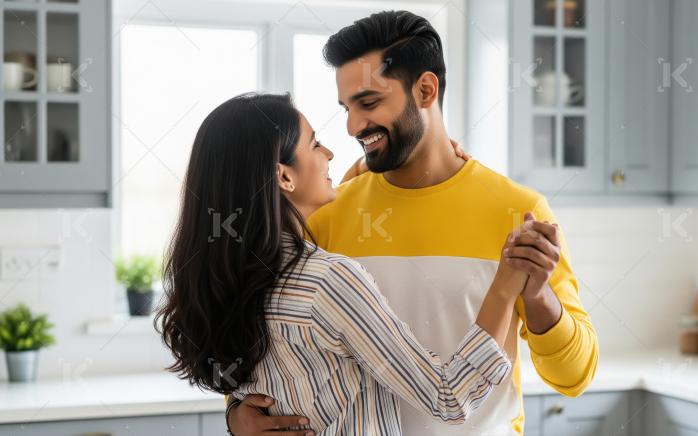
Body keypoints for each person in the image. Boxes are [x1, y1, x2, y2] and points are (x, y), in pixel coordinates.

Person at [229, 10, 598, 436]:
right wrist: (237, 413)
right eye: (346, 107)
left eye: (368, 103)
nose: (352, 126)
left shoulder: (518, 211)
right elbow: (267, 342)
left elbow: (575, 378)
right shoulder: (328, 213)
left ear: (425, 90)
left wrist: (539, 299)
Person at [156, 93, 550, 435]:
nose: (328, 153)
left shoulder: (233, 276)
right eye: (316, 145)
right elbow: (447, 397)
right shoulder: (328, 281)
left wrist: (234, 415)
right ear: (284, 177)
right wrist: (506, 280)